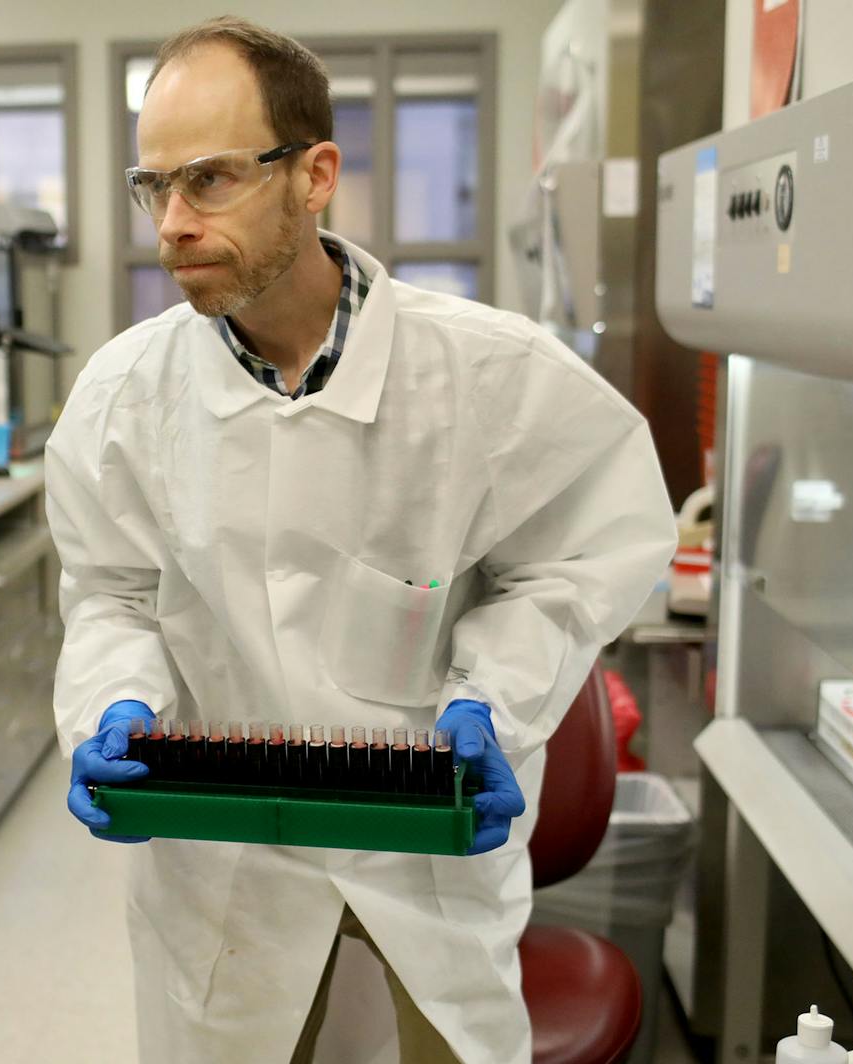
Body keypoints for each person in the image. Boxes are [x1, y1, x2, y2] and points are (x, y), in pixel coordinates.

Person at [46, 16, 677, 1064]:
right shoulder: (121, 396)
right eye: (152, 186)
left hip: (421, 853)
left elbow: (579, 556)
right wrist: (114, 700)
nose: (170, 223)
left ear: (315, 174)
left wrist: (493, 693)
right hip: (228, 871)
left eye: (208, 179)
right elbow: (107, 590)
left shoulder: (489, 374)